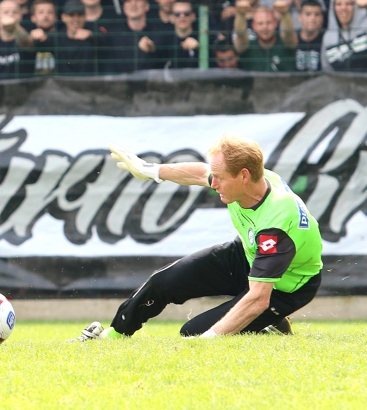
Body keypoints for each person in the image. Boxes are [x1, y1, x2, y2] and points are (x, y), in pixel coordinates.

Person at [80, 135, 322, 339]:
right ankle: (113, 336)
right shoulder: (252, 179)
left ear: (244, 176)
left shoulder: (277, 224)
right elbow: (199, 173)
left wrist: (210, 338)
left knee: (193, 334)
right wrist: (149, 170)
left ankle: (273, 323)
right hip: (247, 255)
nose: (212, 183)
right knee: (162, 282)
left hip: (285, 287)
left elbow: (259, 297)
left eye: (219, 178)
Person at [100, 0, 159, 73]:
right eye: (129, 1)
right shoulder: (114, 35)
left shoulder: (157, 32)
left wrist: (153, 49)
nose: (133, 4)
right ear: (124, 8)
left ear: (147, 6)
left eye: (138, 0)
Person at [233, 3, 297, 72]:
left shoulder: (285, 43)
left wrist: (285, 13)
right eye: (260, 23)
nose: (265, 27)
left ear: (275, 23)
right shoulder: (248, 46)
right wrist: (240, 14)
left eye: (268, 22)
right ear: (254, 26)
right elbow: (241, 35)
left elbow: (289, 33)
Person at [295, 0, 325, 72]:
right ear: (300, 17)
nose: (313, 18)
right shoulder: (293, 38)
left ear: (322, 18)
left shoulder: (326, 39)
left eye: (317, 14)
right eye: (308, 14)